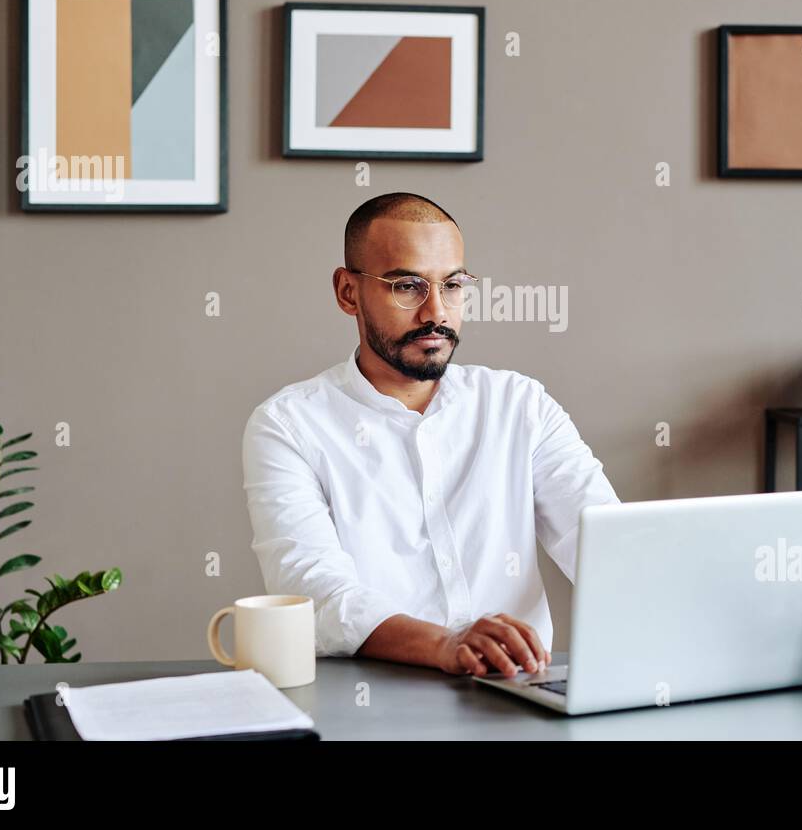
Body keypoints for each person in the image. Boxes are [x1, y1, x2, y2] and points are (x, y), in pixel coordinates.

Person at [241, 192, 619, 678]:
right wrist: (447, 644)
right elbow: (316, 593)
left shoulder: (519, 405)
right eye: (407, 286)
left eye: (453, 285)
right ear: (348, 292)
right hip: (367, 707)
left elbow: (606, 547)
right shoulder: (288, 425)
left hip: (518, 702)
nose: (435, 312)